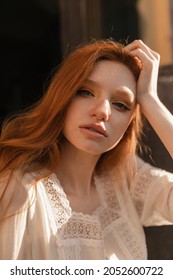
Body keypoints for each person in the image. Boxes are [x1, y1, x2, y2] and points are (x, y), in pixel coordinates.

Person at [0, 39, 173, 260]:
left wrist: (151, 100)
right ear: (62, 96)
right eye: (86, 92)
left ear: (129, 122)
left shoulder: (127, 179)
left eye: (121, 104)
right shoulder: (18, 186)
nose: (102, 111)